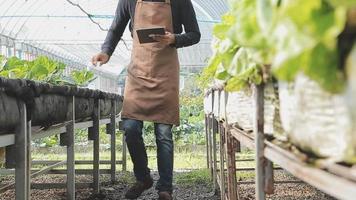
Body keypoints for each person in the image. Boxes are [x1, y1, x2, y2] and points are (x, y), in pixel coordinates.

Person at [92, 0, 200, 199]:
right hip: (138, 72)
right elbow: (116, 28)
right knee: (131, 127)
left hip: (165, 73)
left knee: (164, 133)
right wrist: (105, 52)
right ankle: (143, 178)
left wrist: (174, 39)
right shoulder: (129, 1)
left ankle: (165, 188)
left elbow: (195, 34)